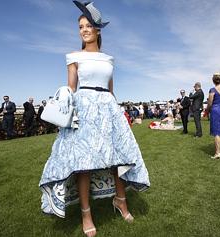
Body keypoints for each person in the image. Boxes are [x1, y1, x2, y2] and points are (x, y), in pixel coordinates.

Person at [39, 2, 150, 237]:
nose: (84, 30)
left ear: (98, 30)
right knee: (84, 165)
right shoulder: (73, 57)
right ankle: (86, 214)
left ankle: (121, 201)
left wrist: (118, 115)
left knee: (119, 158)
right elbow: (71, 88)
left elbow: (110, 92)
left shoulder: (109, 59)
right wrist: (64, 105)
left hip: (108, 109)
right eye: (81, 26)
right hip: (84, 109)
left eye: (89, 25)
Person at [206, 74, 220, 159]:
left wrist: (207, 110)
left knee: (217, 132)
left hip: (215, 110)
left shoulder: (212, 89)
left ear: (213, 81)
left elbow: (210, 102)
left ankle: (217, 152)